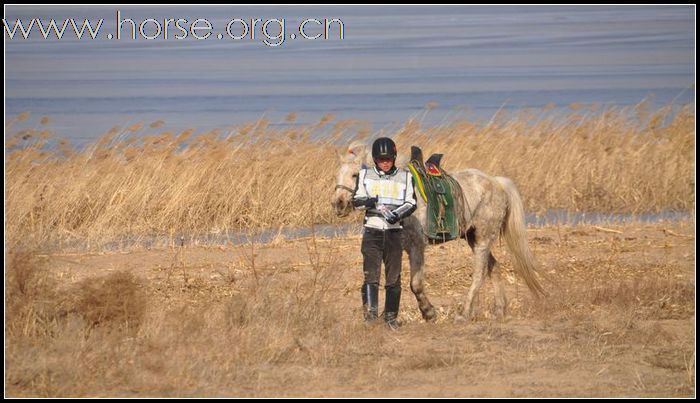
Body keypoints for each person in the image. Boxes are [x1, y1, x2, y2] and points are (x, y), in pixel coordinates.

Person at [351, 137, 417, 330]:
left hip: (394, 233)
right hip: (372, 232)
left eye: (388, 159)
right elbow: (356, 201)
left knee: (393, 278)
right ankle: (371, 318)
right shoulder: (365, 175)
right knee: (371, 276)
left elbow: (411, 203)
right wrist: (369, 202)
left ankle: (390, 318)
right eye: (381, 159)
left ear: (394, 158)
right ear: (375, 159)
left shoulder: (406, 176)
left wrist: (396, 214)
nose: (385, 162)